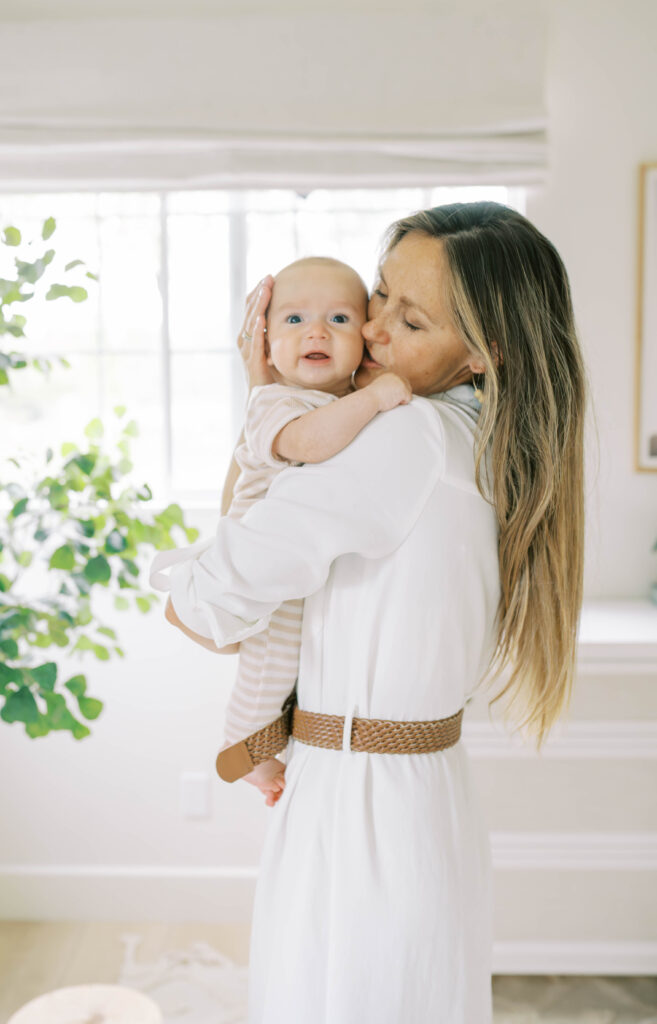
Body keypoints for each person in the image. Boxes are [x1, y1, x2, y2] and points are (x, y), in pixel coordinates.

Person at [150, 202, 587, 1023]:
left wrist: (266, 409)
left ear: (482, 354)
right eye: (379, 295)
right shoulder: (479, 440)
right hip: (420, 797)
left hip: (358, 810)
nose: (373, 332)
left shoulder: (404, 437)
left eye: (409, 319)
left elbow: (210, 605)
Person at [152, 255, 412, 806]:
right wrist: (373, 396)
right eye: (294, 320)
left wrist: (363, 390)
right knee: (272, 659)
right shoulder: (275, 402)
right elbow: (310, 444)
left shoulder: (333, 399)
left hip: (287, 557)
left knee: (292, 664)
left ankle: (264, 736)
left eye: (339, 319)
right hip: (256, 559)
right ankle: (244, 745)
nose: (317, 330)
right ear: (264, 344)